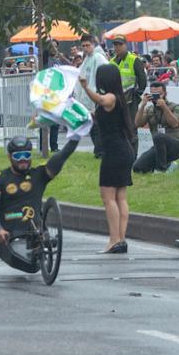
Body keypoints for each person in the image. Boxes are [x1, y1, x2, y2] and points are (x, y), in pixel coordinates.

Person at [0, 136, 80, 273]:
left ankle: (40, 245)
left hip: (33, 231)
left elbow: (61, 157)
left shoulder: (38, 174)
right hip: (9, 233)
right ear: (9, 157)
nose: (23, 159)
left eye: (27, 155)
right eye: (18, 156)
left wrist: (75, 138)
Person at [79, 64, 136, 254]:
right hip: (123, 150)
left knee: (108, 197)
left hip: (115, 152)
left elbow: (101, 100)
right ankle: (121, 239)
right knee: (120, 196)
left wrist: (86, 87)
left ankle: (114, 239)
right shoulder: (118, 98)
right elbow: (100, 114)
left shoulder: (111, 97)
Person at [133, 81, 179, 173]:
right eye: (153, 94)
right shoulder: (149, 109)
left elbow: (174, 123)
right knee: (138, 167)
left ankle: (161, 169)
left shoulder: (175, 107)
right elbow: (137, 124)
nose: (156, 97)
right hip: (159, 148)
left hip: (176, 146)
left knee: (158, 136)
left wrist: (164, 107)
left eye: (159, 94)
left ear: (165, 93)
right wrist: (142, 105)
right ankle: (170, 165)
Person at [76, 34, 109, 158]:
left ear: (93, 44)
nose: (85, 48)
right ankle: (98, 149)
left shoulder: (99, 58)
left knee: (98, 126)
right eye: (83, 46)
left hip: (97, 97)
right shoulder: (87, 59)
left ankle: (100, 151)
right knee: (92, 125)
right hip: (88, 97)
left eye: (87, 45)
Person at [109, 34, 147, 122]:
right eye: (115, 45)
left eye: (120, 44)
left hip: (130, 100)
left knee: (131, 126)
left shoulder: (134, 60)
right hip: (115, 100)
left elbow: (142, 79)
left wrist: (137, 94)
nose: (117, 47)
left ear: (126, 45)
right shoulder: (111, 62)